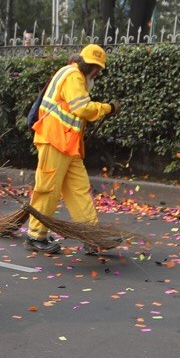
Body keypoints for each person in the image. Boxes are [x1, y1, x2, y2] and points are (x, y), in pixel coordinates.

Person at [24, 43, 113, 252]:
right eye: (96, 68)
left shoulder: (73, 75)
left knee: (79, 190)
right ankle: (35, 236)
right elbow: (81, 108)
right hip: (55, 141)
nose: (98, 73)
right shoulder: (73, 76)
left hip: (67, 144)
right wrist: (107, 108)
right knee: (48, 190)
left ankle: (91, 236)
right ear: (88, 65)